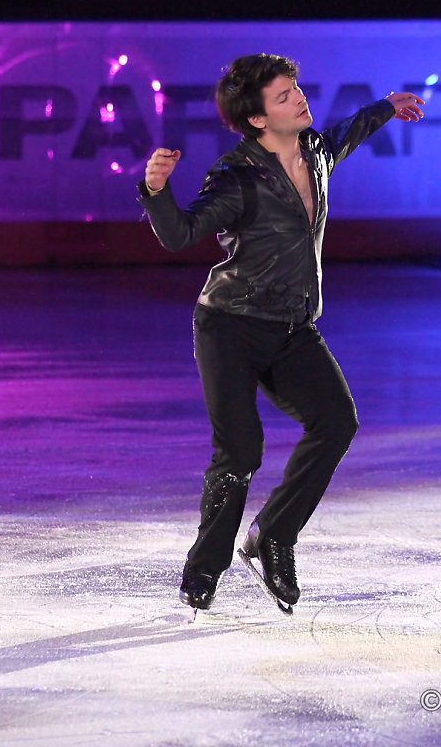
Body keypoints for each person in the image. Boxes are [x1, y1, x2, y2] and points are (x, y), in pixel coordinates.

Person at [137, 53, 424, 610]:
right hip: (230, 328)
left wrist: (385, 108)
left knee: (337, 421)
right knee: (241, 450)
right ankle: (204, 568)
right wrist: (155, 190)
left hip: (292, 326)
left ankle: (273, 535)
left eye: (295, 88)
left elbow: (346, 132)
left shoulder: (315, 151)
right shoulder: (236, 176)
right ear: (258, 120)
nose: (299, 97)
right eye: (283, 95)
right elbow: (181, 234)